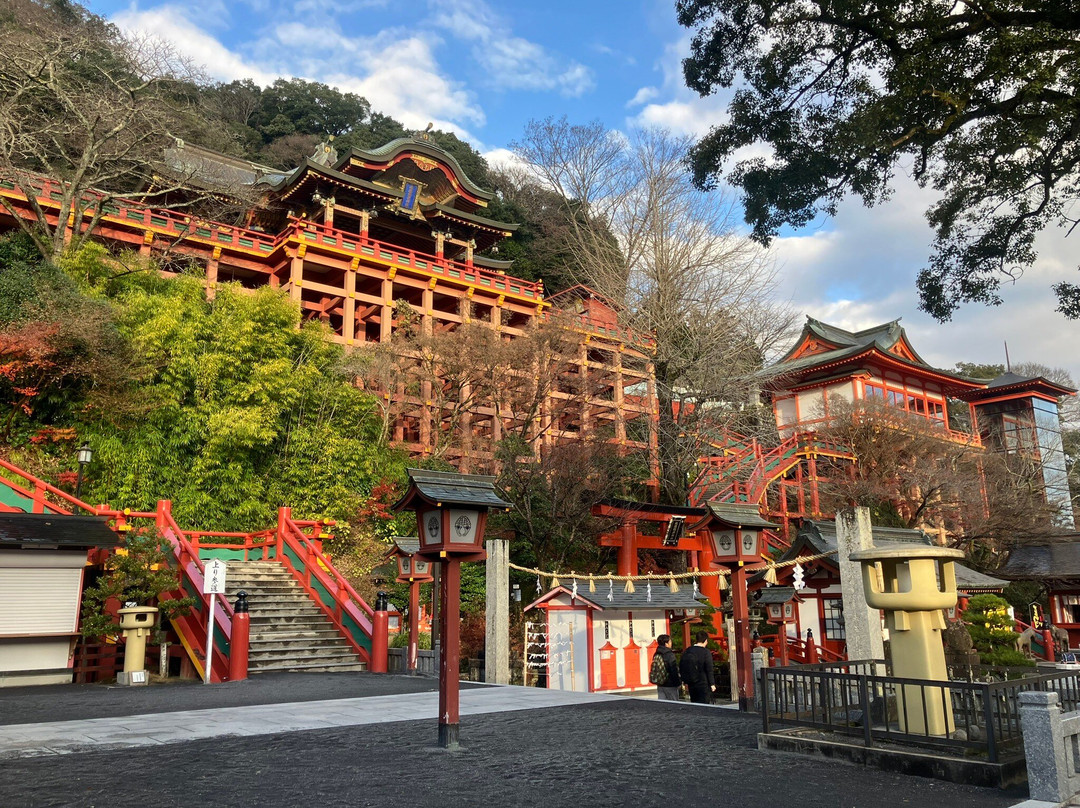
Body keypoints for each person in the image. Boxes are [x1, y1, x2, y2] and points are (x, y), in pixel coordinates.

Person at [679, 630, 716, 704]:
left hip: (691, 682)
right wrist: (712, 684)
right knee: (704, 703)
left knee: (694, 703)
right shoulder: (706, 652)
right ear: (705, 640)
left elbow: (681, 664)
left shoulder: (688, 650)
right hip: (703, 682)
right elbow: (709, 669)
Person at [652, 634, 681, 700]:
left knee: (663, 704)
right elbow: (673, 670)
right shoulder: (669, 654)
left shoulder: (657, 653)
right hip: (670, 684)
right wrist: (678, 682)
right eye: (670, 641)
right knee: (674, 703)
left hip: (660, 683)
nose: (671, 643)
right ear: (666, 644)